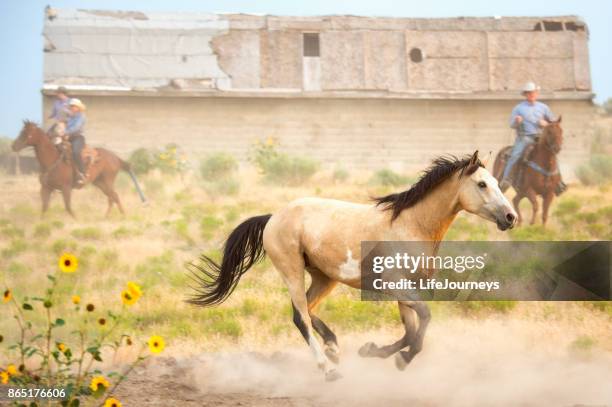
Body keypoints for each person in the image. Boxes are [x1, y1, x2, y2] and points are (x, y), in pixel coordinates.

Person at [500, 82, 554, 191]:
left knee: (552, 153)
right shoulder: (518, 108)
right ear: (525, 94)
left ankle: (558, 182)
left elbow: (554, 123)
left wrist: (546, 124)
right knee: (515, 155)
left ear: (537, 93)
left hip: (541, 137)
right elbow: (512, 125)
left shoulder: (544, 107)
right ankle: (505, 179)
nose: (531, 94)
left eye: (533, 92)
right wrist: (517, 121)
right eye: (529, 93)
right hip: (525, 137)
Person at [65, 98, 87, 185]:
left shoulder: (81, 116)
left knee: (76, 152)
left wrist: (65, 132)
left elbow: (76, 128)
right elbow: (67, 127)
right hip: (68, 137)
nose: (72, 108)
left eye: (73, 106)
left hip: (78, 137)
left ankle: (82, 172)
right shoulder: (70, 117)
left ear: (78, 108)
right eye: (71, 106)